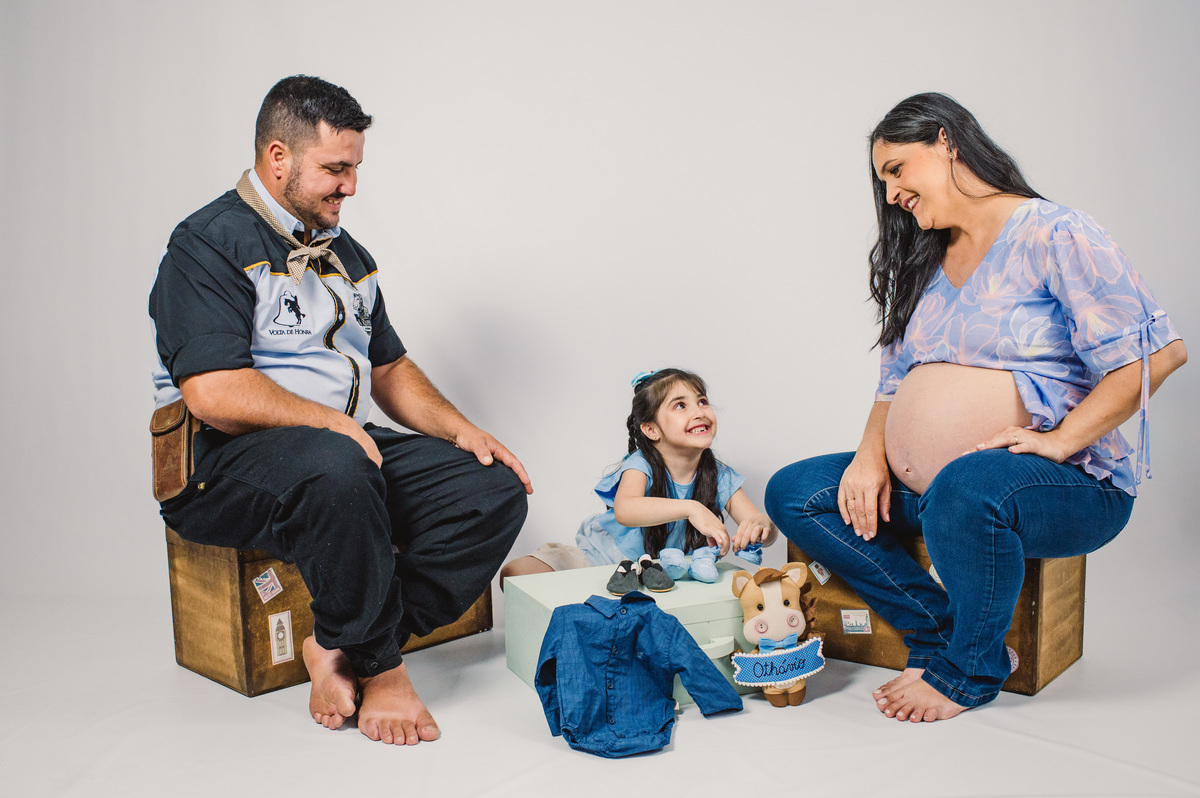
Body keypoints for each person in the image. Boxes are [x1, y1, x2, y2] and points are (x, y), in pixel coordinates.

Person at [765, 92, 1186, 723]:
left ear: (945, 140)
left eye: (896, 170)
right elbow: (893, 383)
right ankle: (935, 630)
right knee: (796, 491)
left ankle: (971, 668)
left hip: (1064, 486)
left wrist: (1062, 439)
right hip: (943, 491)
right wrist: (870, 458)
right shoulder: (924, 261)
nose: (891, 195)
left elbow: (1157, 355)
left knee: (968, 486)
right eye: (882, 182)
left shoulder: (1055, 233)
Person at [149, 75, 532, 746]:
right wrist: (331, 424)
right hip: (220, 464)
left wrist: (463, 430)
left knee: (491, 487)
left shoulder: (348, 256)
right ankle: (382, 669)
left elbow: (389, 368)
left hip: (340, 453)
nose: (350, 186)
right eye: (335, 169)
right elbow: (213, 391)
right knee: (337, 463)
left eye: (354, 169)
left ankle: (337, 642)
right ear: (278, 158)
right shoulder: (206, 243)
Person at [501, 368, 776, 591]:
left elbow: (763, 530)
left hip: (664, 574)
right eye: (680, 405)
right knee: (516, 575)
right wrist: (692, 508)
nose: (699, 411)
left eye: (702, 401)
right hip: (605, 559)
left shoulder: (719, 475)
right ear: (651, 429)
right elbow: (626, 509)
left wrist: (761, 526)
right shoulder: (641, 464)